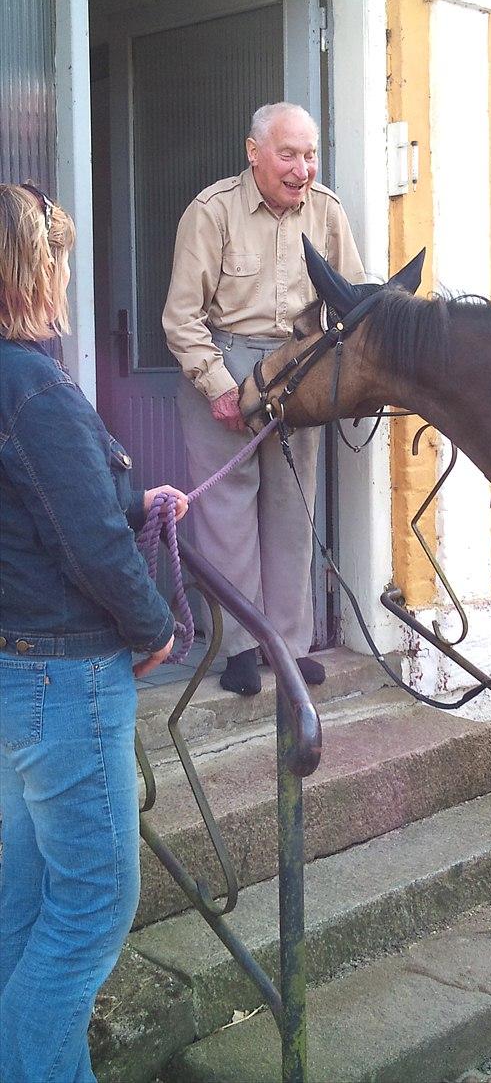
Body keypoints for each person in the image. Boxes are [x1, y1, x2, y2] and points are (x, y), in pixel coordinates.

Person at [0, 183, 188, 1083]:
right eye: (60, 261)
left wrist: (135, 498)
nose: (68, 280)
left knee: (27, 899)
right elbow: (86, 544)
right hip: (62, 680)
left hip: (16, 675)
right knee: (93, 907)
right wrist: (155, 630)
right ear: (33, 268)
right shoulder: (30, 382)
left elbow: (44, 511)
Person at [163, 103, 365, 695]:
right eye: (288, 154)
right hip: (224, 365)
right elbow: (181, 318)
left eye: (309, 154)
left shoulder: (326, 211)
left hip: (297, 369)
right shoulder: (212, 210)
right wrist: (220, 388)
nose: (301, 168)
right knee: (226, 514)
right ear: (254, 153)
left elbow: (349, 302)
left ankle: (287, 645)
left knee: (292, 511)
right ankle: (239, 647)